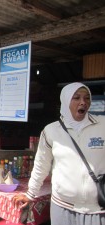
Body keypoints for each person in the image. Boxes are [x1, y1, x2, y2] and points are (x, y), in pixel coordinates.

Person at [12, 82, 105, 225]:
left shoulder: (102, 126)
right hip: (62, 208)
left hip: (97, 210)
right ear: (66, 100)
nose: (83, 102)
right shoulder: (51, 131)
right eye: (77, 98)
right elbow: (41, 165)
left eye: (87, 98)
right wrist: (30, 193)